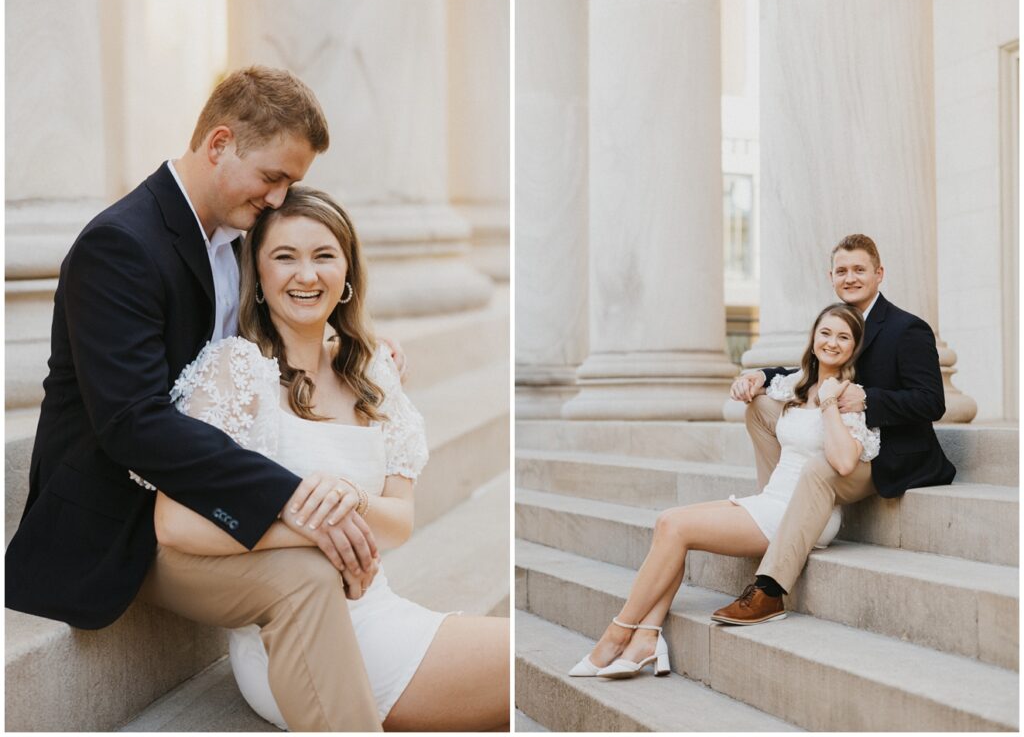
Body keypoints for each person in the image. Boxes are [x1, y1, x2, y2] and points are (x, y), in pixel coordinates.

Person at [5, 67, 390, 730]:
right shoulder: (120, 245)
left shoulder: (239, 241)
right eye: (273, 177)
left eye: (291, 183)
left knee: (316, 556)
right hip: (116, 524)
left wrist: (352, 348)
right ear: (219, 144)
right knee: (306, 569)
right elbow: (134, 423)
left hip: (195, 507)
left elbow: (284, 317)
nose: (279, 199)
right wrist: (291, 495)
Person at [151, 187, 509, 730]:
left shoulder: (373, 373)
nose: (306, 275)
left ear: (347, 272)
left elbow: (399, 521)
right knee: (526, 668)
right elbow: (175, 525)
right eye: (284, 257)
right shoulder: (236, 371)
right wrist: (315, 525)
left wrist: (354, 500)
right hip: (293, 633)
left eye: (323, 256)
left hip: (377, 611)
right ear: (259, 275)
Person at [570, 303, 879, 678]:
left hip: (803, 514)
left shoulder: (851, 397)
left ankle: (617, 635)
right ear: (813, 337)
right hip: (772, 498)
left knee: (675, 526)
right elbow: (761, 384)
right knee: (669, 526)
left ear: (854, 348)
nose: (832, 342)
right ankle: (645, 639)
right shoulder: (796, 385)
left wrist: (830, 401)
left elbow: (845, 463)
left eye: (843, 337)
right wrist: (747, 380)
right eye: (825, 333)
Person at [712, 234, 955, 625]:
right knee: (759, 406)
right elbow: (812, 369)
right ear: (831, 277)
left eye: (860, 269)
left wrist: (868, 399)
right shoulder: (839, 321)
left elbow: (931, 402)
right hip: (839, 435)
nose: (850, 277)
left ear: (879, 274)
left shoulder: (907, 329)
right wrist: (761, 374)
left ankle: (770, 591)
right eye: (842, 271)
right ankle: (780, 507)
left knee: (820, 468)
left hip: (887, 452)